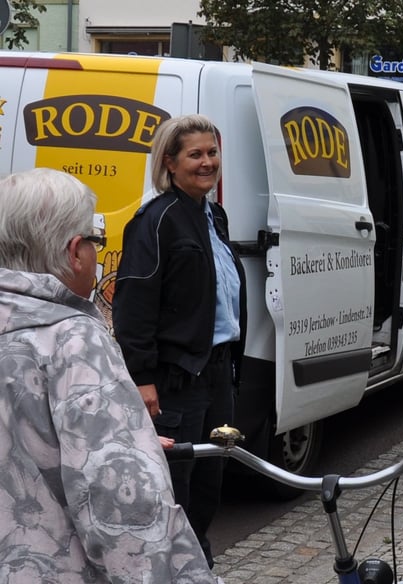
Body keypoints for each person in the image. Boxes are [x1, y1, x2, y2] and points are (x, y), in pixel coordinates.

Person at [0, 168, 217, 582]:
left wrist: (106, 429)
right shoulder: (72, 340)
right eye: (96, 242)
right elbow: (125, 512)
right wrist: (117, 444)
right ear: (75, 251)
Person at [112, 113, 246, 569]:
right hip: (175, 380)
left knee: (210, 488)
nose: (207, 162)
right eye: (196, 154)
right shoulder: (157, 219)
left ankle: (199, 570)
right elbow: (133, 305)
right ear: (170, 163)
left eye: (212, 153)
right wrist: (143, 378)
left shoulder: (214, 215)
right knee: (176, 493)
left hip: (216, 373)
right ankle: (174, 572)